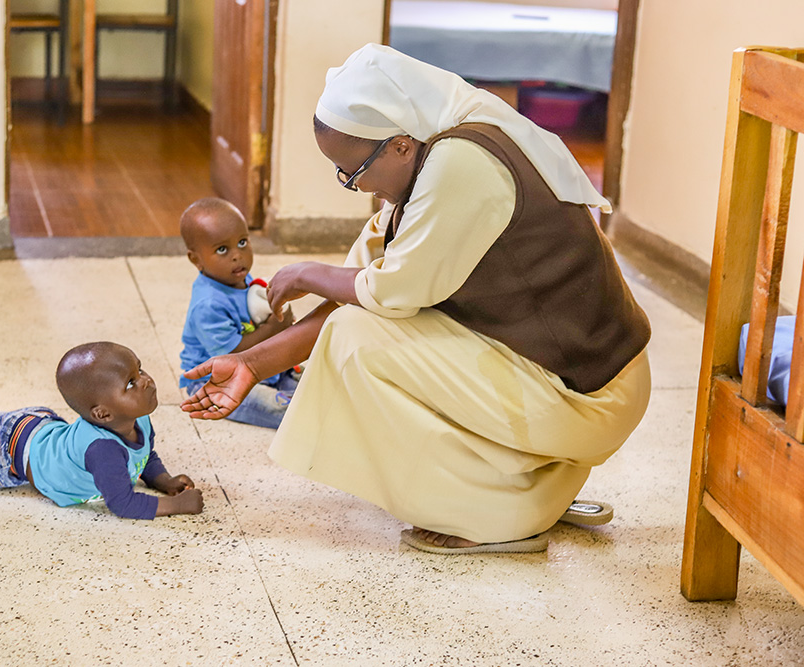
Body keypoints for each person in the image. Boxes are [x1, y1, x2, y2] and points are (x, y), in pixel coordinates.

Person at [181, 44, 651, 554]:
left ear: (400, 146)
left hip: (591, 394)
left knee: (357, 347)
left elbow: (385, 294)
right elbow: (360, 295)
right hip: (573, 377)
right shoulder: (428, 163)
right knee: (357, 331)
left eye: (354, 172)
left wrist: (309, 273)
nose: (354, 186)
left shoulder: (462, 165)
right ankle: (529, 490)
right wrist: (252, 362)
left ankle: (498, 513)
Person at [0, 342, 204, 520]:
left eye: (140, 370)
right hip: (7, 452)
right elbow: (123, 503)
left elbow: (144, 455)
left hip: (39, 426)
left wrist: (163, 480)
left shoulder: (138, 419)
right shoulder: (102, 450)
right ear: (102, 413)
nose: (147, 381)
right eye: (131, 382)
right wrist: (176, 505)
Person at [178, 197, 300, 429]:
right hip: (219, 381)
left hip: (260, 367)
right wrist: (273, 328)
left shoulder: (239, 278)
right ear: (196, 259)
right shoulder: (208, 304)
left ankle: (296, 391)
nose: (237, 255)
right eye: (222, 249)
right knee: (286, 411)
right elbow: (231, 355)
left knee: (318, 384)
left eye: (242, 242)